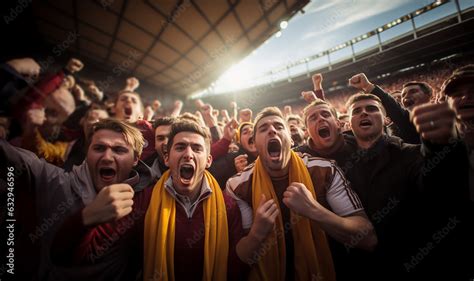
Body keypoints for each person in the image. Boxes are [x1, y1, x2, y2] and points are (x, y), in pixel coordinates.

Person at [227, 107, 376, 281]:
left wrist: (314, 210)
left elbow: (368, 238)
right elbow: (238, 259)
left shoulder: (324, 170)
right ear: (254, 143)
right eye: (263, 128)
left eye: (279, 126)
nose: (272, 130)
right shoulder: (237, 185)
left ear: (290, 139)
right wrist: (257, 233)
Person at [0, 118, 154, 280]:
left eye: (119, 150)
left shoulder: (146, 202)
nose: (107, 157)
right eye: (99, 148)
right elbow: (13, 157)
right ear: (87, 153)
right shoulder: (53, 181)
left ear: (136, 159)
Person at [143, 120, 248, 281]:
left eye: (197, 148)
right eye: (180, 147)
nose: (188, 154)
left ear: (208, 161)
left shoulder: (227, 206)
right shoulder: (145, 201)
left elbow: (235, 266)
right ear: (166, 158)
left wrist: (256, 236)